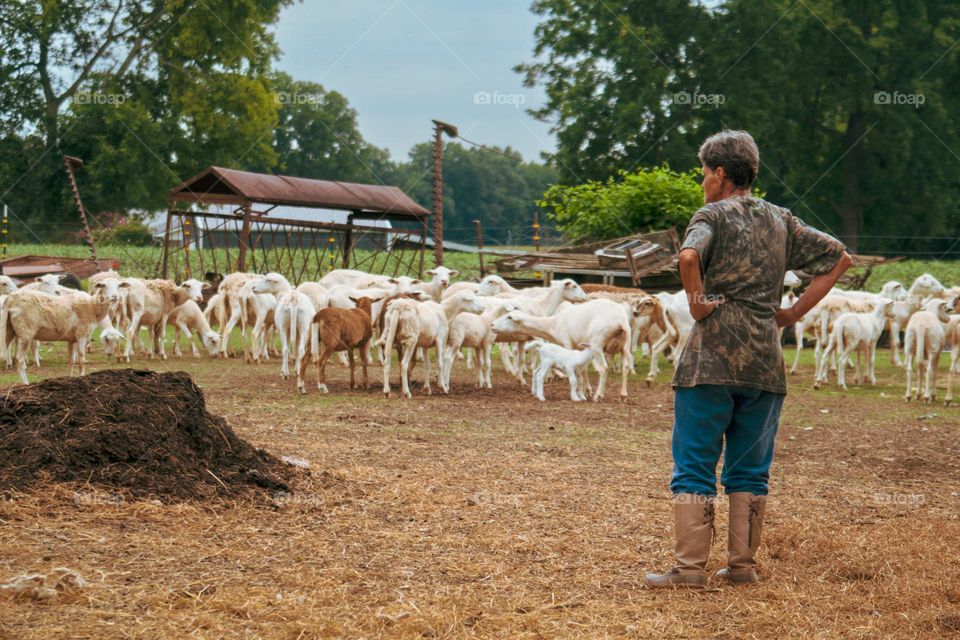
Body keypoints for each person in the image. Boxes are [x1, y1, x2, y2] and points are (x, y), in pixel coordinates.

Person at [644, 130, 852, 589]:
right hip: (764, 360)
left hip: (710, 361)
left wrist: (698, 304)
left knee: (696, 462)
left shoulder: (711, 214)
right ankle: (742, 568)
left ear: (720, 173)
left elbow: (688, 255)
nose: (702, 183)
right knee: (750, 468)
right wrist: (792, 313)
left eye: (703, 174)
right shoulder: (782, 219)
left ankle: (690, 570)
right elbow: (840, 258)